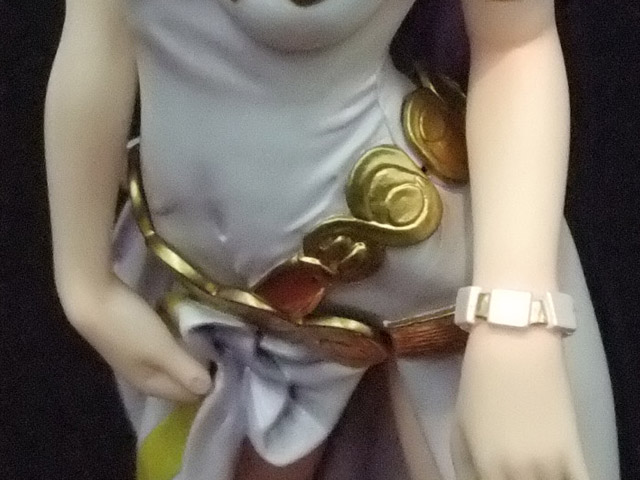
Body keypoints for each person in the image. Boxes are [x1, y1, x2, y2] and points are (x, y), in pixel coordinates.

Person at [44, 0, 620, 479]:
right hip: (219, 308)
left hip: (423, 292)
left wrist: (514, 323)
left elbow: (517, 44)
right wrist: (85, 283)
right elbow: (95, 33)